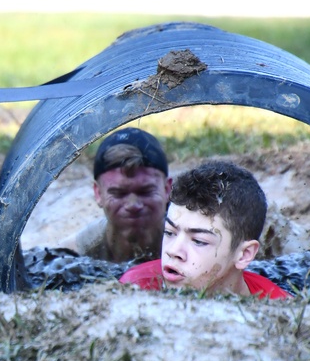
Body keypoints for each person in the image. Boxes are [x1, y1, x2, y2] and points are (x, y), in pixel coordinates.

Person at [120, 160, 291, 299]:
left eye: (199, 241)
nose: (173, 251)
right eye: (170, 232)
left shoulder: (279, 308)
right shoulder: (135, 290)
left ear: (244, 254)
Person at [61, 127, 172, 263]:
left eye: (145, 192)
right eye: (119, 194)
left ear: (167, 189)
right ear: (98, 193)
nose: (133, 205)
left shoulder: (191, 242)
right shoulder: (77, 253)